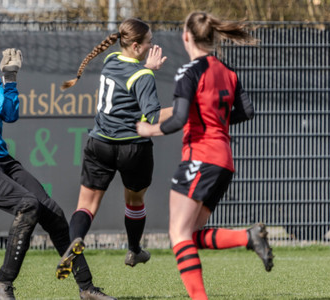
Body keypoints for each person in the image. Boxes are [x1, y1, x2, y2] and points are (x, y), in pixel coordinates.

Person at [0, 24, 115, 300]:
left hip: (1, 160)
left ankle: (87, 288)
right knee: (28, 205)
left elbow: (10, 114)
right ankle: (4, 283)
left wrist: (9, 78)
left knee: (54, 214)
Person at [136, 12, 274, 300]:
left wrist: (149, 130)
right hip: (224, 160)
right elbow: (247, 112)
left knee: (178, 233)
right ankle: (247, 237)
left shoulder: (189, 71)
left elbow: (179, 118)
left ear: (186, 36)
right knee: (191, 233)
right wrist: (216, 121)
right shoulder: (229, 71)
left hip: (201, 156)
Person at [55, 17, 172, 281]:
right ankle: (133, 250)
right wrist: (185, 109)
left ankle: (75, 241)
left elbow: (130, 73)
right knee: (134, 201)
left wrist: (147, 68)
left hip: (100, 144)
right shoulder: (142, 76)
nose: (152, 45)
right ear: (136, 45)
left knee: (86, 204)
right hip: (133, 148)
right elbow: (152, 116)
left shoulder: (109, 61)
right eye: (149, 42)